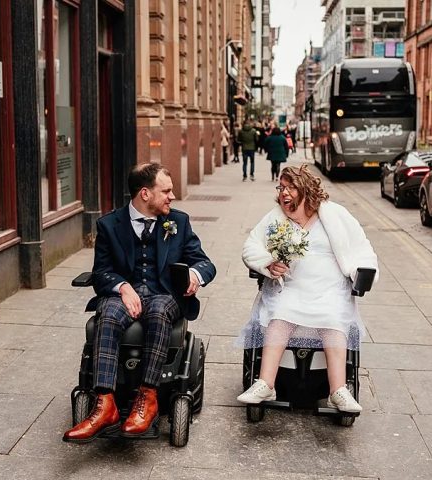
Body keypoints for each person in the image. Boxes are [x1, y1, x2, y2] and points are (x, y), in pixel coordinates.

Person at [63, 162, 216, 443]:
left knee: (158, 311)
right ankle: (105, 404)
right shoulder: (109, 225)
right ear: (145, 194)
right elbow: (101, 272)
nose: (172, 197)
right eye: (166, 191)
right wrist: (122, 287)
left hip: (164, 295)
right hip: (124, 296)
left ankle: (148, 397)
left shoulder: (178, 222)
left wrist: (195, 275)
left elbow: (205, 263)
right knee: (107, 313)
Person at [235, 164, 378, 412]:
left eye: (290, 187)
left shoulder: (335, 215)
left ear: (306, 189)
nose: (284, 193)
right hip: (290, 287)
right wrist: (267, 263)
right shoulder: (276, 217)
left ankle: (338, 391)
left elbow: (362, 248)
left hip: (329, 289)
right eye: (281, 187)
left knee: (333, 316)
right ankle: (265, 383)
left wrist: (362, 273)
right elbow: (251, 246)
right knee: (280, 313)